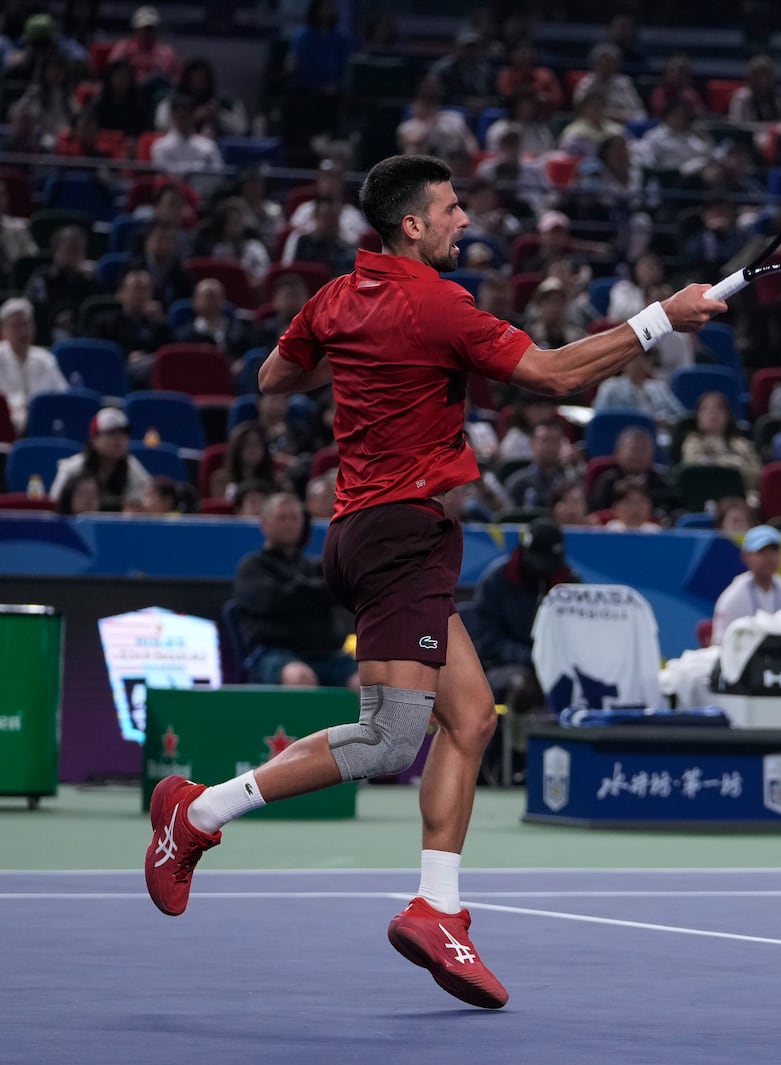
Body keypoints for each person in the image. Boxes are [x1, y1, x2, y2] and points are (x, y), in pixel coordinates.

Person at [142, 153, 724, 1009]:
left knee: (473, 717)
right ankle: (194, 813)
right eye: (451, 210)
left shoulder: (337, 296)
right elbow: (557, 377)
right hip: (399, 534)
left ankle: (437, 907)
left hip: (369, 530)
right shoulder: (436, 301)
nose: (464, 221)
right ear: (411, 224)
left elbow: (273, 377)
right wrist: (661, 319)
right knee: (387, 738)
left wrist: (362, 362)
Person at [463, 519, 576, 780]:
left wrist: (551, 663)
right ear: (525, 553)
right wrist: (531, 659)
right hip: (500, 666)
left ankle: (565, 763)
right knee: (521, 683)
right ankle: (516, 758)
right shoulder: (496, 581)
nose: (544, 570)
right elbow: (487, 638)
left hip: (554, 666)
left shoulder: (569, 584)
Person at [232, 493, 359, 688]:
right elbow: (272, 600)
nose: (289, 524)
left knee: (365, 680)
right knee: (299, 677)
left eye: (295, 517)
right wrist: (314, 594)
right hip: (275, 652)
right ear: (264, 524)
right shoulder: (253, 567)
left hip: (326, 653)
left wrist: (298, 593)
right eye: (282, 518)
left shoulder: (315, 567)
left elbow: (338, 590)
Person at [711, 525, 781, 642]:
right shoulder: (733, 598)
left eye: (774, 550)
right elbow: (719, 642)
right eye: (761, 551)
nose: (768, 557)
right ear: (746, 556)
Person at [50, 407, 151, 508]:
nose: (119, 439)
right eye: (111, 433)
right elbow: (55, 503)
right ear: (94, 439)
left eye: (124, 433)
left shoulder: (134, 470)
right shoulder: (72, 469)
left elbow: (145, 506)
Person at [0, 297, 66, 432]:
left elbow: (63, 394)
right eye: (16, 326)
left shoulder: (46, 359)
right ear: (4, 331)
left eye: (27, 324)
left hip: (42, 425)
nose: (23, 332)